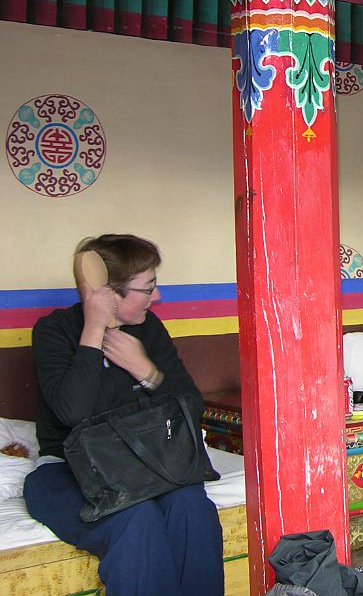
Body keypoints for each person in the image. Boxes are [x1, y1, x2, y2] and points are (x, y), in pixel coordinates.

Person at [23, 234, 223, 596]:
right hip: (68, 471)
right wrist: (93, 329)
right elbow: (71, 412)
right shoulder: (55, 331)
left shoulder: (148, 330)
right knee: (136, 519)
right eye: (148, 288)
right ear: (108, 294)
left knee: (193, 509)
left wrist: (146, 371)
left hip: (147, 465)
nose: (157, 297)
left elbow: (191, 409)